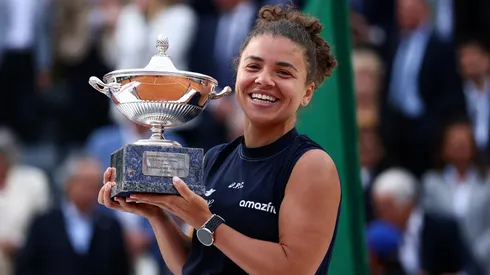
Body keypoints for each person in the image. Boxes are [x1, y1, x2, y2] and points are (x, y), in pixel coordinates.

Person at [98, 4, 342, 275]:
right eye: (253, 66)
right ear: (237, 75)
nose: (264, 80)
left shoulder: (311, 165)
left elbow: (292, 270)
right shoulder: (215, 158)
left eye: (283, 72)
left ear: (307, 92)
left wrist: (206, 220)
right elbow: (192, 265)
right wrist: (157, 214)